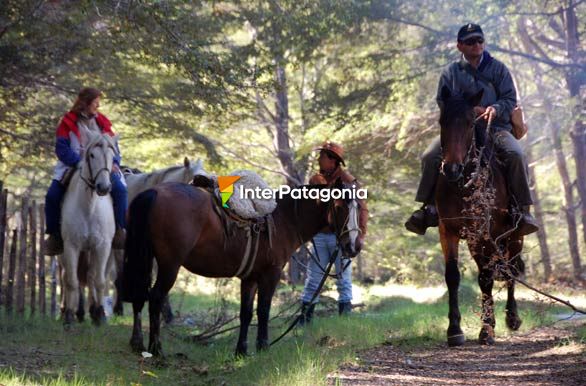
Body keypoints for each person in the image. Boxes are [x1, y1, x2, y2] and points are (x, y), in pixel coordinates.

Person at [404, 23, 539, 236]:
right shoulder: (451, 72)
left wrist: (494, 108)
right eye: (470, 42)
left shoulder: (499, 69)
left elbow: (509, 98)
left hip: (495, 126)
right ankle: (428, 208)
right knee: (430, 156)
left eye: (479, 40)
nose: (476, 45)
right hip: (459, 130)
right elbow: (443, 100)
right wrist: (467, 111)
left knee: (516, 154)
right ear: (460, 46)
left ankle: (521, 211)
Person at [44, 87, 127, 255]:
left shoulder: (103, 122)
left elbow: (114, 147)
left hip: (103, 166)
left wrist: (115, 162)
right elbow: (62, 149)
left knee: (120, 190)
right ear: (85, 103)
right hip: (73, 166)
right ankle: (55, 235)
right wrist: (78, 162)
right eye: (95, 102)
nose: (98, 105)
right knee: (52, 196)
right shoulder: (67, 122)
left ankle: (119, 230)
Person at [298, 141, 368, 325]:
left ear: (332, 160)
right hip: (319, 236)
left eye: (322, 156)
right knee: (314, 278)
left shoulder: (348, 181)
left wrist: (360, 235)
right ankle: (305, 320)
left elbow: (361, 209)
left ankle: (344, 322)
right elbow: (310, 210)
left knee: (343, 279)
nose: (319, 159)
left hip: (341, 238)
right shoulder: (315, 180)